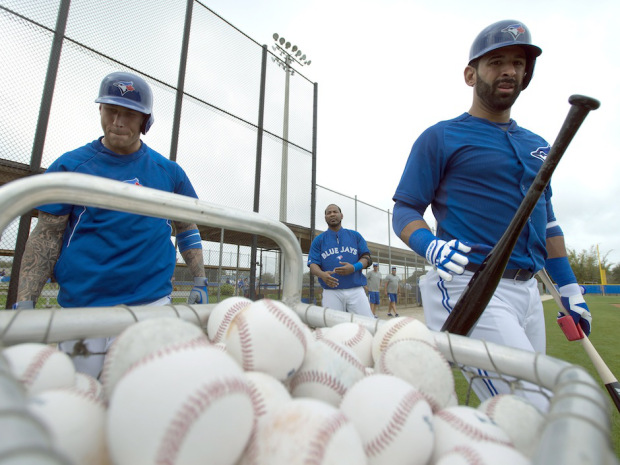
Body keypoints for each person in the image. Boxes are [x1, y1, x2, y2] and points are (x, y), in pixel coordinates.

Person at [391, 20, 591, 410]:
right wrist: (429, 245)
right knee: (533, 410)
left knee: (525, 416)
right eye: (496, 62)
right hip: (471, 285)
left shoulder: (537, 144)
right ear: (471, 74)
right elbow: (405, 209)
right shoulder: (441, 136)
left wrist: (568, 287)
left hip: (529, 292)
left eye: (518, 63)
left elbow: (548, 222)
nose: (509, 71)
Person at [13, 71, 209, 378]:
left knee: (143, 395)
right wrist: (25, 302)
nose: (117, 121)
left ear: (145, 121)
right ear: (100, 110)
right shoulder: (70, 167)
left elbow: (186, 226)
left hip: (150, 305)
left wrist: (199, 279)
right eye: (111, 111)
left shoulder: (169, 172)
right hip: (83, 308)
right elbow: (46, 237)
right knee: (81, 396)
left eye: (129, 114)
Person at [308, 204, 374, 317]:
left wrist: (354, 267)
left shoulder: (355, 236)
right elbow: (313, 264)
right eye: (329, 213)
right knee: (333, 325)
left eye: (335, 212)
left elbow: (367, 258)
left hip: (355, 290)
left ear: (341, 215)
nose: (332, 214)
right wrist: (322, 274)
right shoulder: (319, 240)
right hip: (331, 290)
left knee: (366, 323)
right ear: (325, 218)